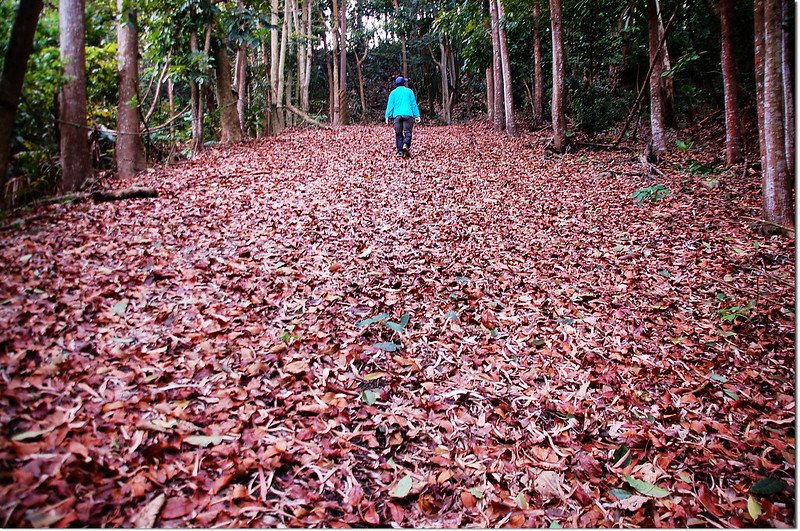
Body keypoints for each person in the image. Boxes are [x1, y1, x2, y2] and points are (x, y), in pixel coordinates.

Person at [385, 76, 421, 157]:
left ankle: (400, 151)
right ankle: (405, 144)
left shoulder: (393, 93)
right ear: (404, 83)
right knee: (408, 132)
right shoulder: (409, 91)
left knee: (398, 134)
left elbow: (390, 105)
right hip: (408, 115)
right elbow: (413, 104)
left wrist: (387, 116)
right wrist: (417, 115)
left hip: (397, 115)